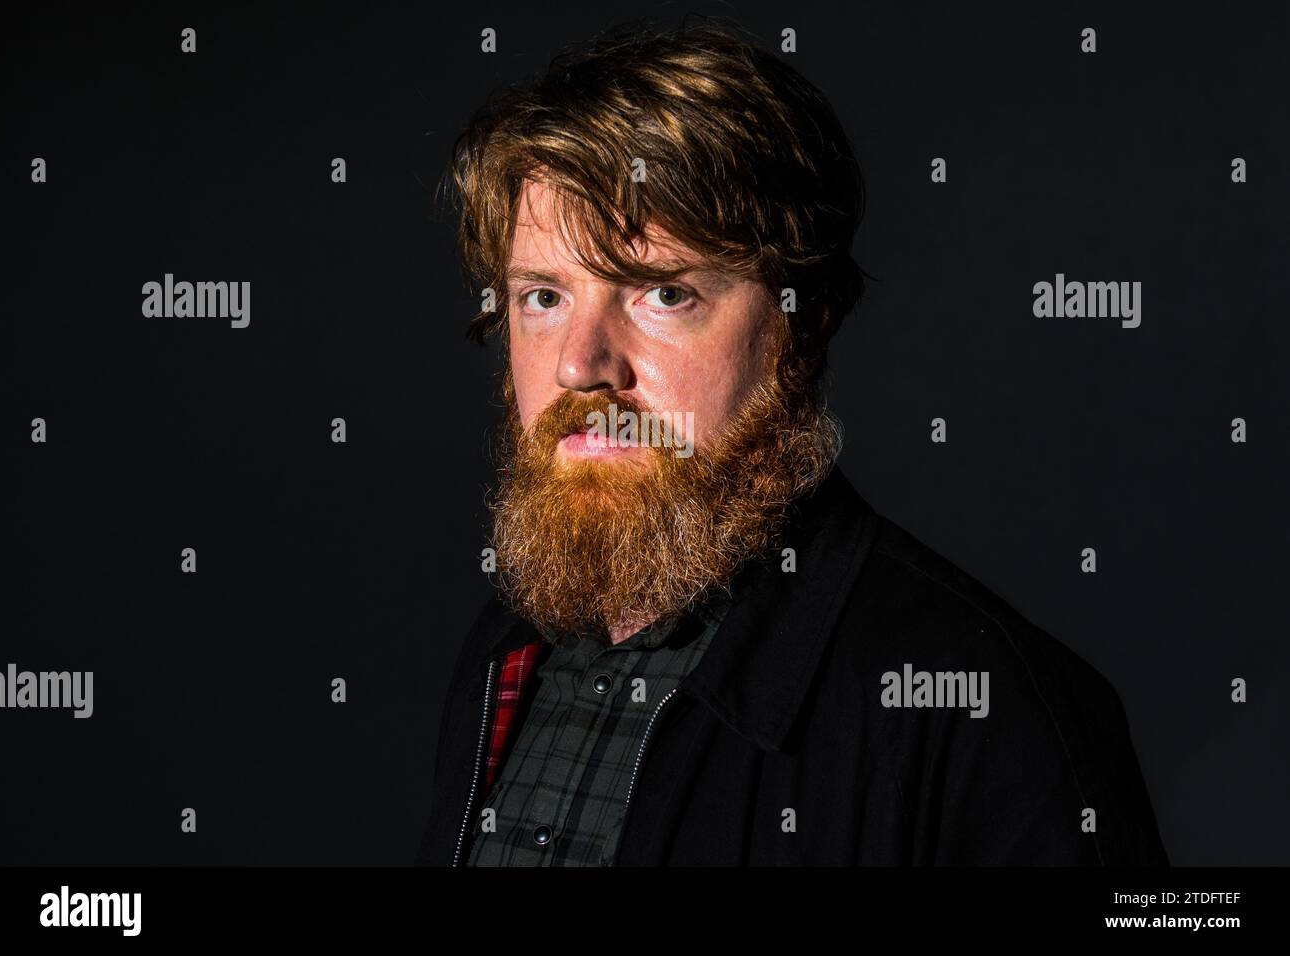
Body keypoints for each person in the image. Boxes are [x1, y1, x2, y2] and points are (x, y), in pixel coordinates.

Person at [415, 19, 1169, 866]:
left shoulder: (986, 713)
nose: (582, 366)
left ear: (803, 329)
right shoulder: (505, 654)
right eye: (543, 297)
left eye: (664, 293)